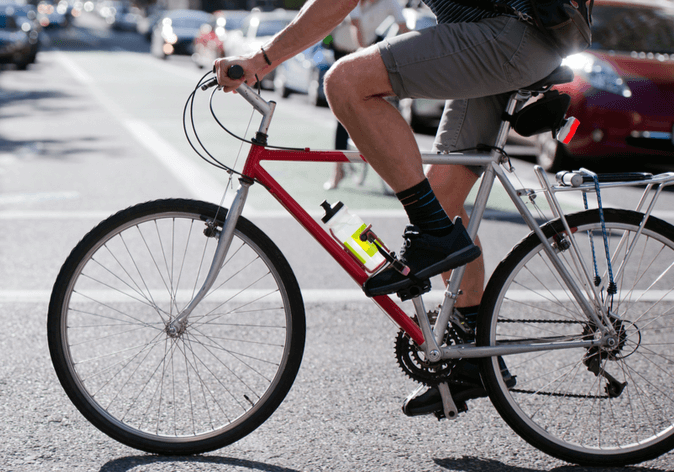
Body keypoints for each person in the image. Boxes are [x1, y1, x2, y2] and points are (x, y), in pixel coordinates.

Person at [215, 0, 564, 417]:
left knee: (345, 82)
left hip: (511, 34)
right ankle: (475, 357)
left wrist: (260, 60)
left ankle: (433, 233)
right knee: (443, 200)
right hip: (509, 35)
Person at [324, 0, 409, 190]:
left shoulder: (390, 3)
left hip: (366, 54)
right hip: (343, 54)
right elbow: (357, 29)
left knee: (374, 108)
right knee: (342, 113)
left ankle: (391, 170)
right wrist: (359, 58)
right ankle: (338, 170)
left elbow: (404, 28)